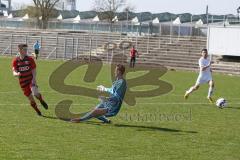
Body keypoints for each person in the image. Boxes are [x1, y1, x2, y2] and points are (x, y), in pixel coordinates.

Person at [12, 44, 48, 116]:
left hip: (31, 80)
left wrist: (34, 79)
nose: (26, 51)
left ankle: (41, 100)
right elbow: (14, 71)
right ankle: (38, 111)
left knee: (35, 94)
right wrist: (17, 74)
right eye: (24, 49)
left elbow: (34, 69)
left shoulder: (30, 59)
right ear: (19, 50)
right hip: (23, 83)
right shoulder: (16, 61)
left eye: (26, 49)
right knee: (31, 99)